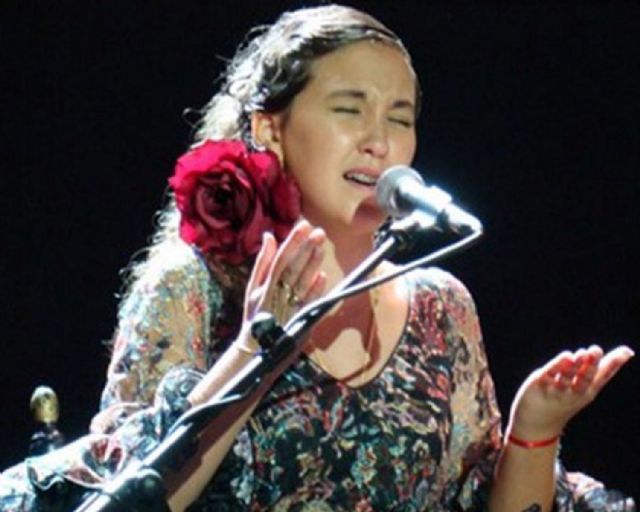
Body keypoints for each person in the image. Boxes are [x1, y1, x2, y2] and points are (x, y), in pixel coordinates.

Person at [0, 4, 635, 511]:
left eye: (400, 117)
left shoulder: (441, 305)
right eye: (348, 110)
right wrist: (259, 345)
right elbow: (134, 494)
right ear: (270, 127)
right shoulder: (192, 287)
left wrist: (533, 429)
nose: (380, 142)